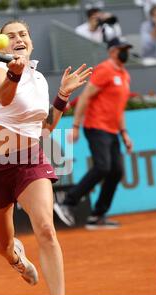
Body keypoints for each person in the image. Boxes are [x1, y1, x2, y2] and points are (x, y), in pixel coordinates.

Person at [0, 20, 91, 295]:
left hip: (29, 162)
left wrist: (63, 95)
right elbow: (4, 98)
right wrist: (13, 75)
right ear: (2, 44)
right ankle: (17, 260)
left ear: (30, 42)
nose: (18, 38)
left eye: (23, 34)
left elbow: (44, 128)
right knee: (2, 243)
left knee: (46, 228)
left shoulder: (40, 80)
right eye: (11, 35)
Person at [53, 37, 134, 230]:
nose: (126, 52)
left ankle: (97, 216)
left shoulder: (124, 75)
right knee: (103, 167)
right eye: (123, 49)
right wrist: (75, 125)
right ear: (112, 51)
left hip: (113, 130)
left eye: (127, 49)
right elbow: (85, 97)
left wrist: (124, 133)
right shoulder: (105, 69)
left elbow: (118, 108)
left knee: (116, 171)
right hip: (96, 126)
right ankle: (67, 203)